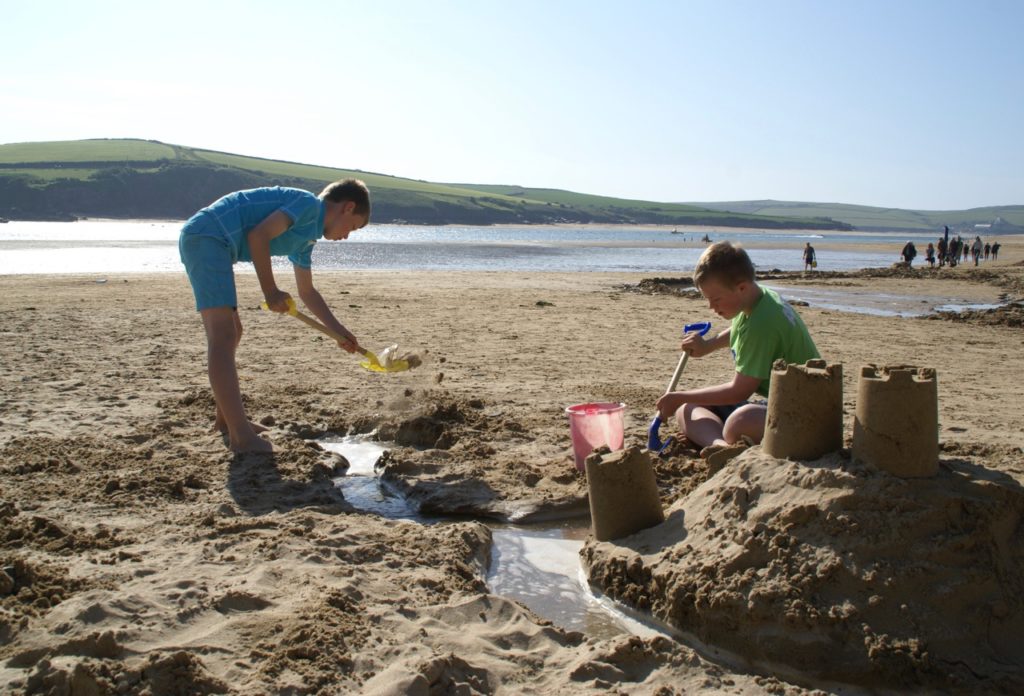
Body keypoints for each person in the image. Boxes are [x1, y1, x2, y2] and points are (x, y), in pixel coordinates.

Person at [179, 180, 371, 452]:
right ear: (347, 207)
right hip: (207, 237)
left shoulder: (308, 237)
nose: (346, 236)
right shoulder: (307, 205)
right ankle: (241, 436)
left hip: (215, 242)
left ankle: (226, 422)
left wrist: (337, 331)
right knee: (222, 336)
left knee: (234, 332)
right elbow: (258, 235)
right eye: (352, 227)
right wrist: (270, 292)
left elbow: (306, 291)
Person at [655, 242, 820, 467]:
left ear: (741, 287)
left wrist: (679, 395)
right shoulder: (757, 299)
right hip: (777, 402)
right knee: (688, 410)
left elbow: (738, 391)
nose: (711, 307)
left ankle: (726, 444)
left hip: (804, 416)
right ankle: (721, 449)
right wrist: (708, 345)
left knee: (739, 422)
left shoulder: (762, 325)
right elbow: (737, 329)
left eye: (716, 299)